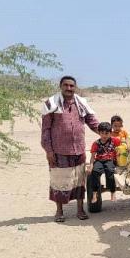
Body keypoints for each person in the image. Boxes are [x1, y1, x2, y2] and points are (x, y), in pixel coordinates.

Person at [41, 76, 99, 222]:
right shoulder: (51, 104)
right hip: (59, 150)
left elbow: (93, 123)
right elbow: (46, 129)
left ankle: (80, 210)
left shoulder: (81, 103)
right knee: (59, 181)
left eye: (71, 86)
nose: (69, 88)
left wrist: (108, 133)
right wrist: (49, 150)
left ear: (75, 87)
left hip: (78, 150)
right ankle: (59, 211)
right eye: (66, 85)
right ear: (60, 87)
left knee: (79, 180)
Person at [87, 122, 121, 202]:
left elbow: (123, 144)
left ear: (110, 133)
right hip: (99, 160)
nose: (104, 135)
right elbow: (92, 157)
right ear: (99, 133)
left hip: (110, 160)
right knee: (94, 172)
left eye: (107, 133)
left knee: (110, 171)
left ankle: (112, 192)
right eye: (102, 133)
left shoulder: (114, 140)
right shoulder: (96, 143)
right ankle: (95, 193)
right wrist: (91, 165)